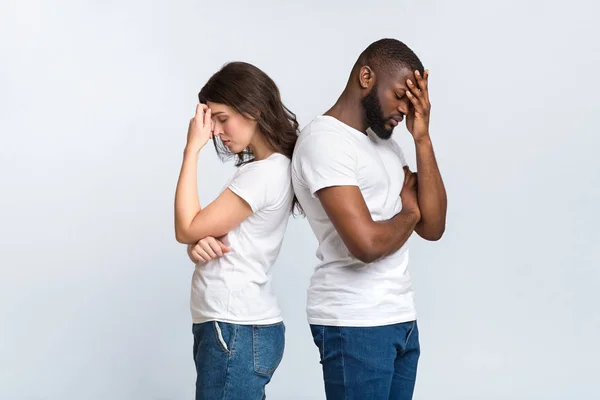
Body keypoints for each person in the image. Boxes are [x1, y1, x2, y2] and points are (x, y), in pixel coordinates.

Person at [291, 38, 447, 399]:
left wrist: (421, 138)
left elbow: (434, 227)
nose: (405, 111)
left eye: (412, 103)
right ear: (366, 76)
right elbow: (366, 244)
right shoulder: (325, 142)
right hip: (355, 322)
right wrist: (410, 211)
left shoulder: (385, 145)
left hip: (399, 317)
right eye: (400, 96)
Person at [174, 61, 300, 400]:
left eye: (221, 118)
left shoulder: (265, 173)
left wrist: (191, 150)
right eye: (211, 121)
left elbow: (186, 226)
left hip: (235, 327)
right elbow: (203, 232)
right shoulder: (265, 168)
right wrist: (197, 244)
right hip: (236, 327)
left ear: (253, 110)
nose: (214, 130)